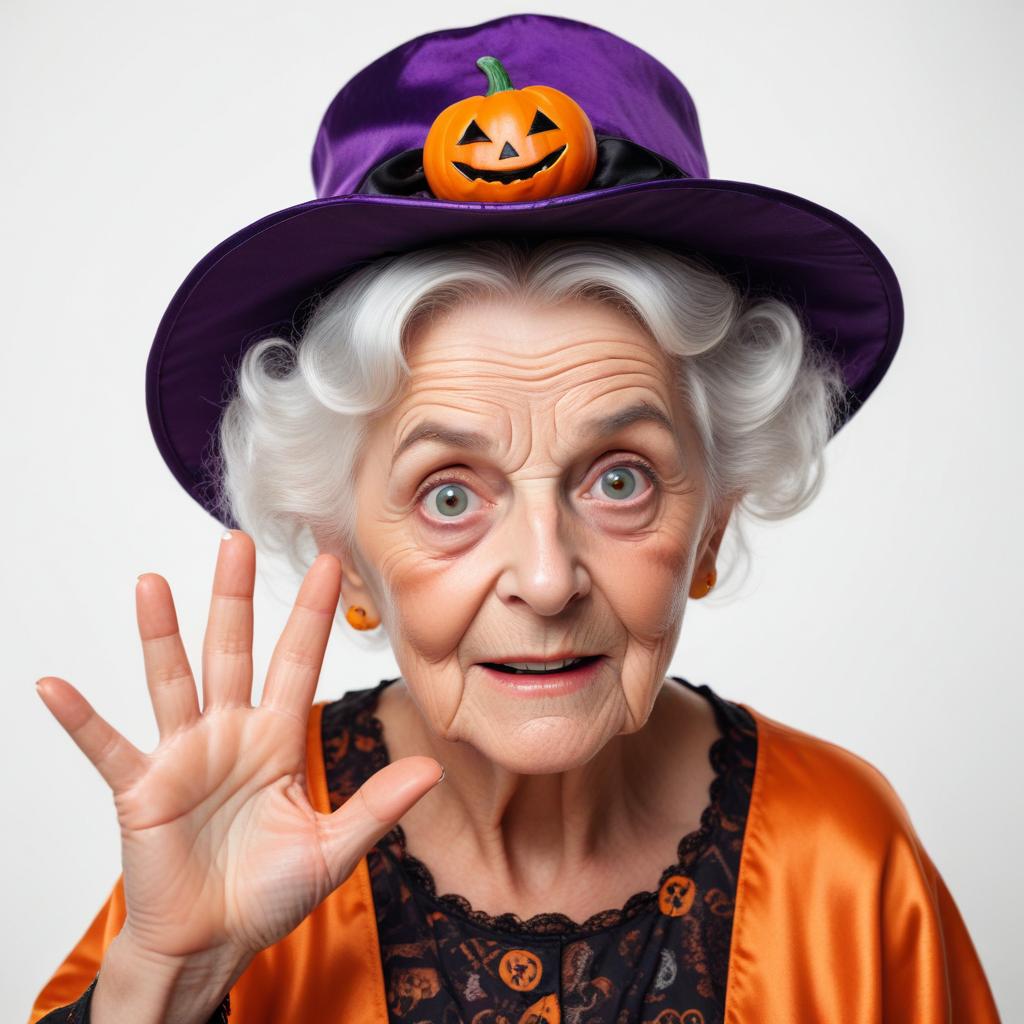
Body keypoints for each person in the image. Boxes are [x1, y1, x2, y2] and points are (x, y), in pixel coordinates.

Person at [28, 13, 1001, 1024]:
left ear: (711, 524)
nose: (545, 579)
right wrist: (168, 979)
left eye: (618, 480)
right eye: (449, 495)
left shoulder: (844, 853)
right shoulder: (236, 832)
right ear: (344, 555)